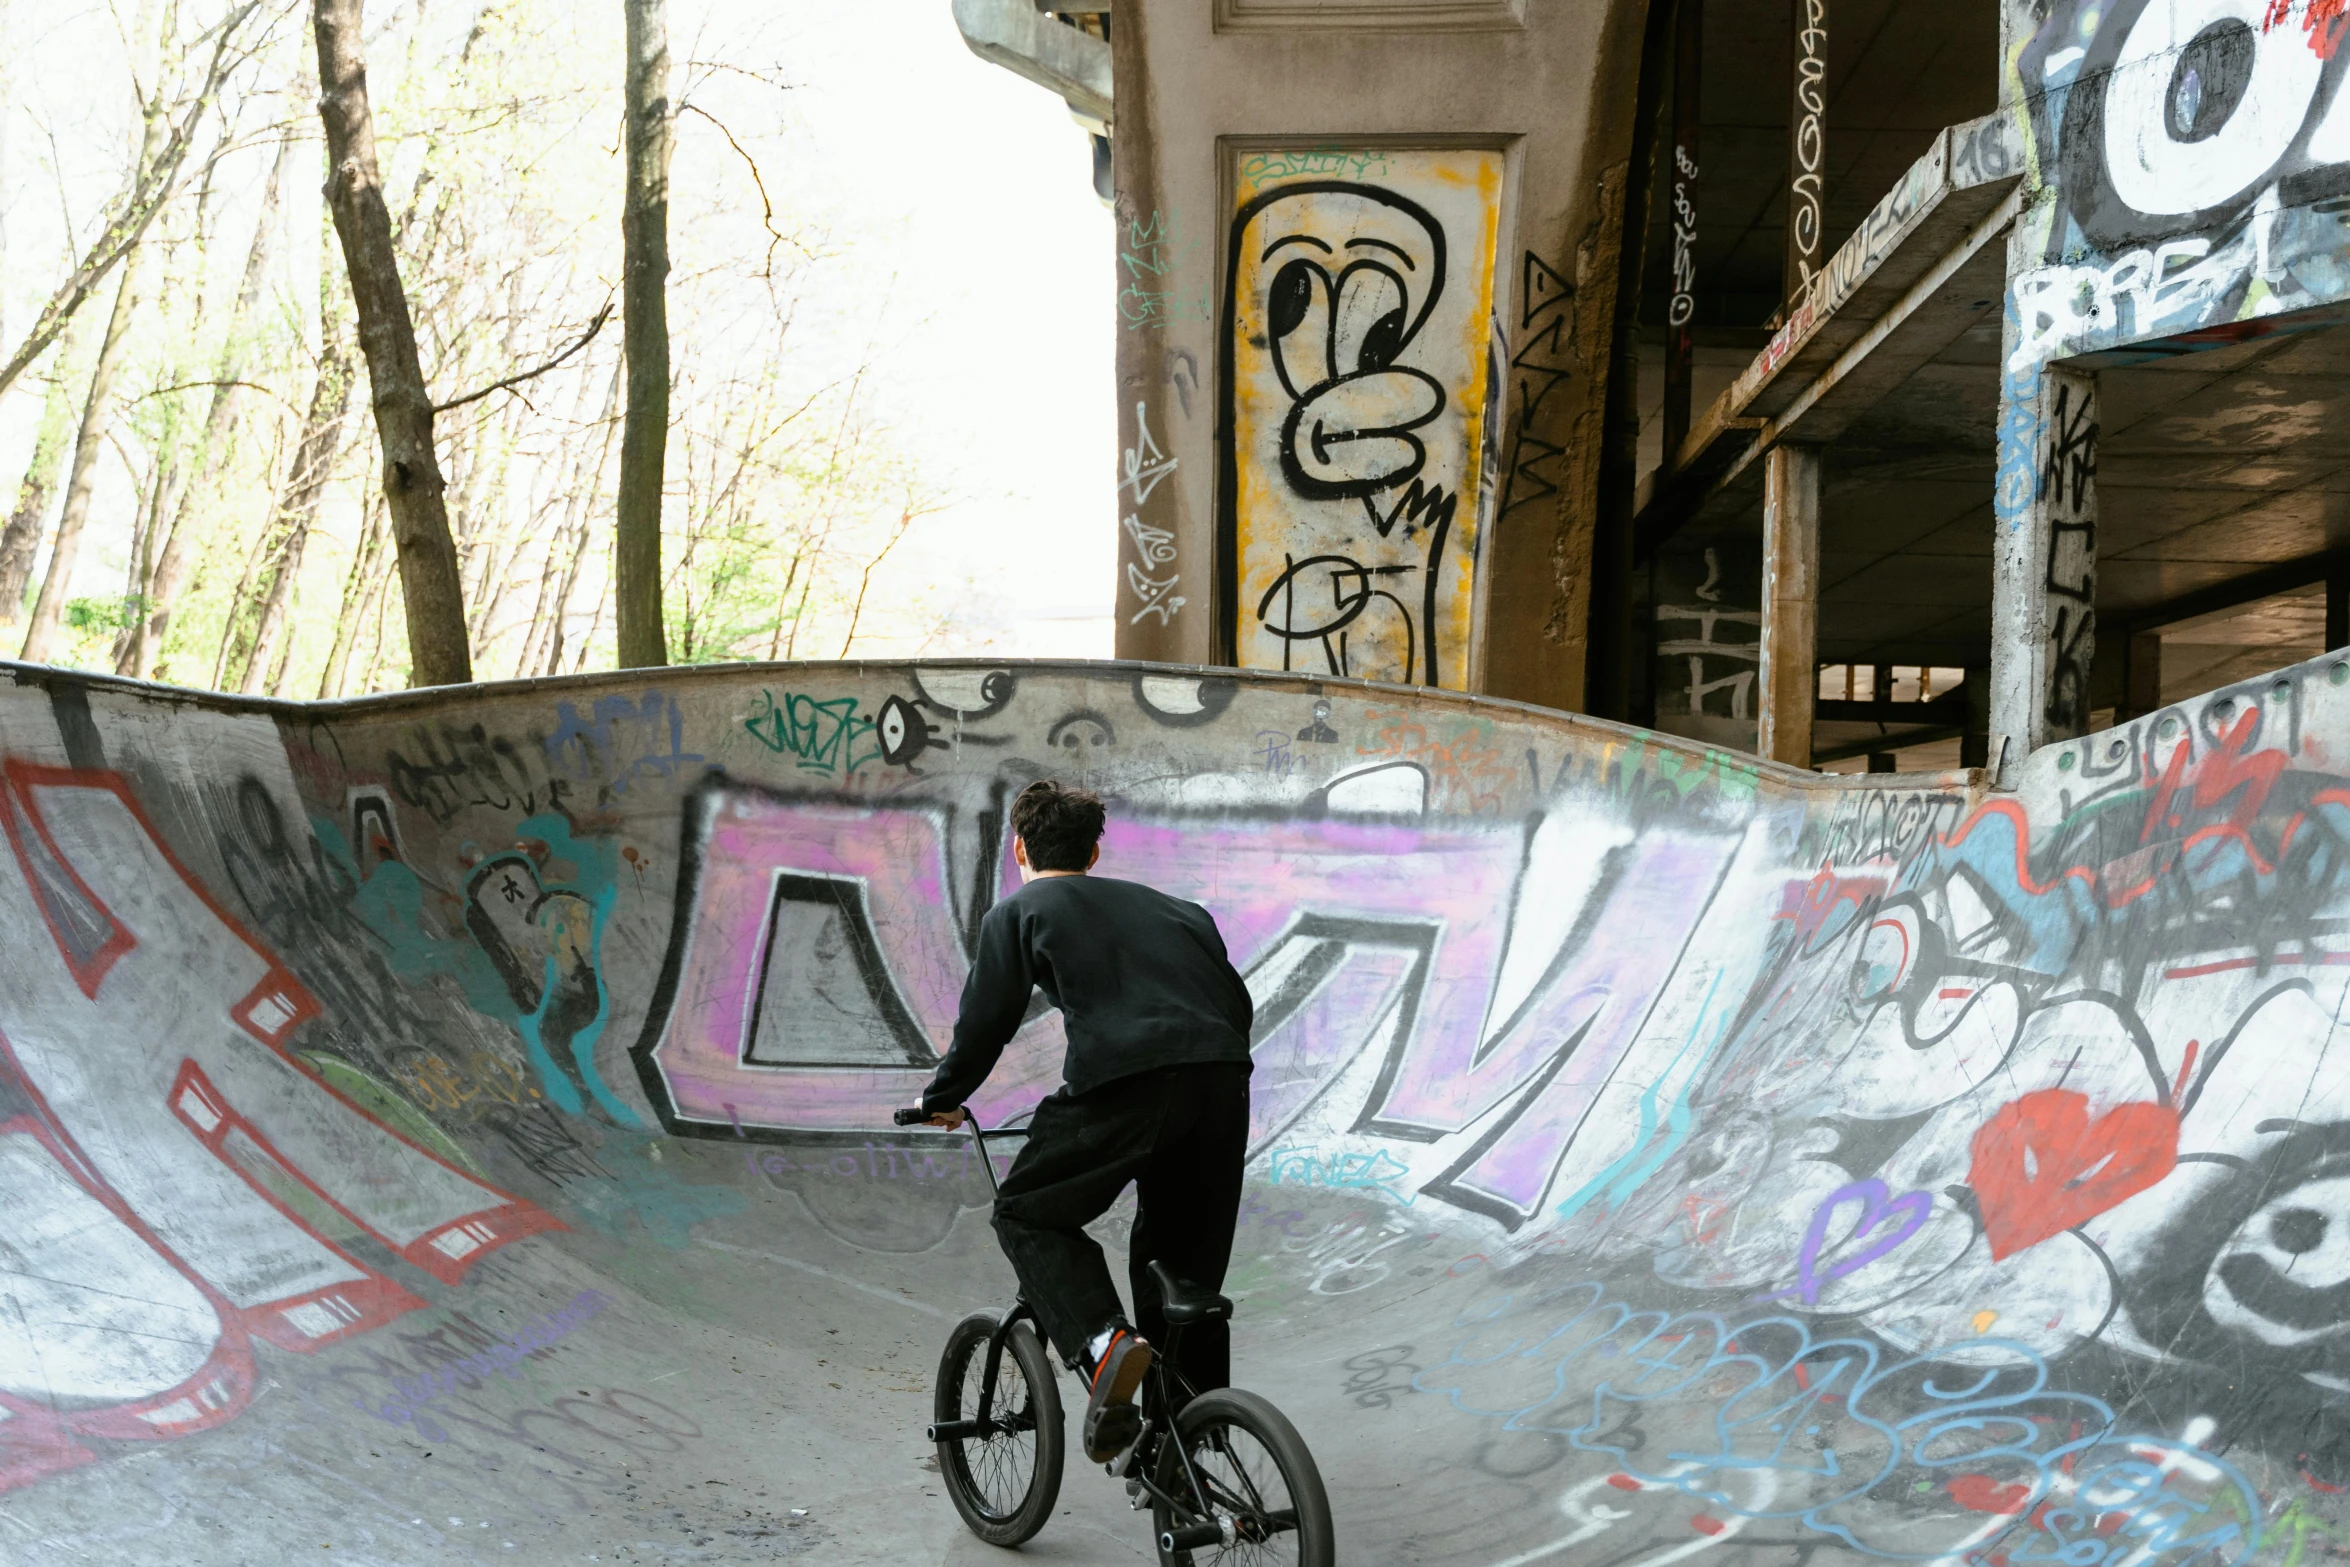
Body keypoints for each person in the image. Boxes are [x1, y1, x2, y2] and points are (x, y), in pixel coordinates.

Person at [909, 779, 1255, 1463]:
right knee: (1177, 1272)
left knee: (1028, 1213)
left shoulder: (1024, 907)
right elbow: (1234, 1004)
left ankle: (1103, 1346)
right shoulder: (1181, 911)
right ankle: (1188, 1444)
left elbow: (986, 1021)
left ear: (1018, 849)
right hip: (1223, 1082)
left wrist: (942, 1095)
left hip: (1129, 1080)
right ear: (1095, 851)